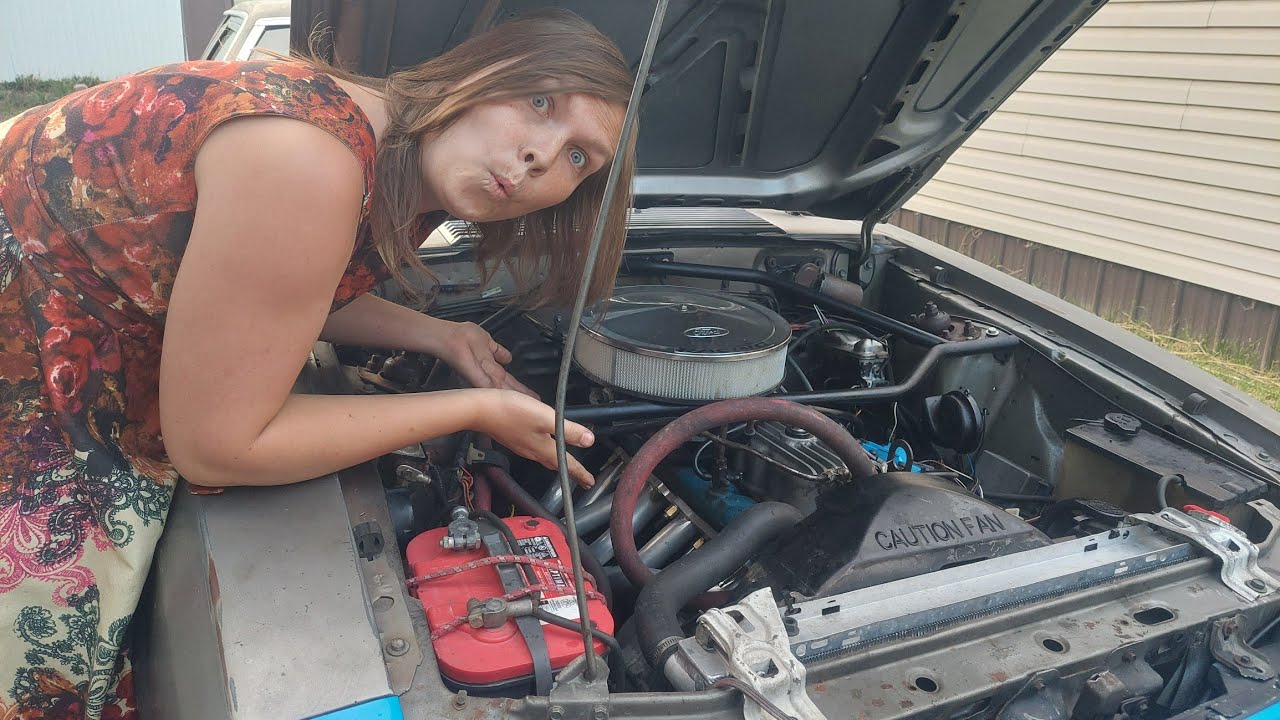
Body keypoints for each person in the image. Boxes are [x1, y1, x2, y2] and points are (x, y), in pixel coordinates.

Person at [0, 9, 633, 718]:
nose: (543, 156)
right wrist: (474, 408)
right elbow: (216, 447)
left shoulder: (384, 151)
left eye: (581, 158)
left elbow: (277, 285)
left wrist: (440, 336)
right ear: (479, 73)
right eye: (539, 102)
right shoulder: (310, 156)